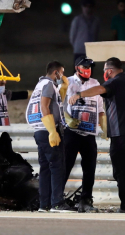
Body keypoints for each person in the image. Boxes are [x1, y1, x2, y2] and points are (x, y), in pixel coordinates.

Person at [69, 57, 125, 213]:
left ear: (109, 71)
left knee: (121, 171)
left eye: (105, 70)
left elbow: (99, 90)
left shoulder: (114, 82)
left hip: (120, 134)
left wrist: (79, 94)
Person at [26, 61, 74, 213]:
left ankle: (44, 204)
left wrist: (63, 89)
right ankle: (57, 203)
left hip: (40, 131)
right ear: (56, 73)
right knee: (57, 166)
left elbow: (54, 103)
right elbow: (45, 106)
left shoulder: (39, 85)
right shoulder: (48, 85)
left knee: (46, 168)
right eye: (62, 72)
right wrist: (53, 131)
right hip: (48, 130)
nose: (63, 76)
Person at [62, 57, 105, 213]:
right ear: (77, 67)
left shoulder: (95, 84)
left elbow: (100, 109)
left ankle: (86, 200)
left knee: (90, 168)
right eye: (84, 67)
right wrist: (67, 119)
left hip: (89, 134)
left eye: (90, 67)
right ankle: (57, 199)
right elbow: (59, 106)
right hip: (71, 132)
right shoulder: (67, 83)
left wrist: (104, 128)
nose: (88, 69)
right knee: (65, 165)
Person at [70, 0, 100, 65]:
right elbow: (72, 36)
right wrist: (76, 46)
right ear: (82, 7)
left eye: (90, 7)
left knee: (90, 71)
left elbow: (96, 35)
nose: (88, 9)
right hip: (79, 50)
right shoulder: (77, 20)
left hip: (91, 50)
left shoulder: (96, 20)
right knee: (78, 72)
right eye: (85, 6)